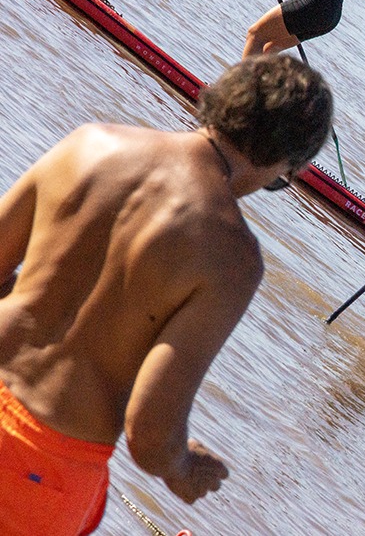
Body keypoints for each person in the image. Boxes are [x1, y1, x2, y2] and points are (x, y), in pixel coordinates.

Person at [0, 55, 332, 535]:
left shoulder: (89, 142)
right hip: (43, 461)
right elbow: (150, 431)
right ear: (285, 162)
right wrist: (182, 468)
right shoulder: (233, 256)